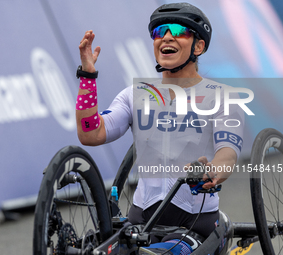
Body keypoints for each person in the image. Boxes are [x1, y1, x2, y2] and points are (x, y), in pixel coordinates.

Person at [76, 2, 244, 244]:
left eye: (177, 31)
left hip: (195, 224)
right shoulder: (134, 95)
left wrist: (212, 170)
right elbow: (90, 134)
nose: (166, 37)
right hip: (140, 220)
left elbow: (227, 155)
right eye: (159, 31)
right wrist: (87, 78)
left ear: (199, 46)